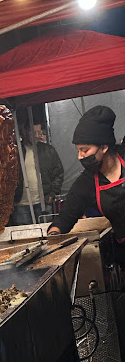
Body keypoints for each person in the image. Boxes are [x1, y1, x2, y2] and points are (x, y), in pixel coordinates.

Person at [48, 106, 125, 266]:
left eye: (84, 150)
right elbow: (66, 217)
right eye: (78, 150)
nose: (79, 156)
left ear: (104, 147)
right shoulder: (86, 182)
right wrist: (54, 234)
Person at [12, 121, 64, 225]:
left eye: (39, 132)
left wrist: (53, 192)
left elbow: (58, 173)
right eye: (33, 132)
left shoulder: (48, 150)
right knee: (26, 236)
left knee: (47, 233)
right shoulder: (14, 151)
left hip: (44, 201)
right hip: (21, 203)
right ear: (24, 132)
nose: (37, 136)